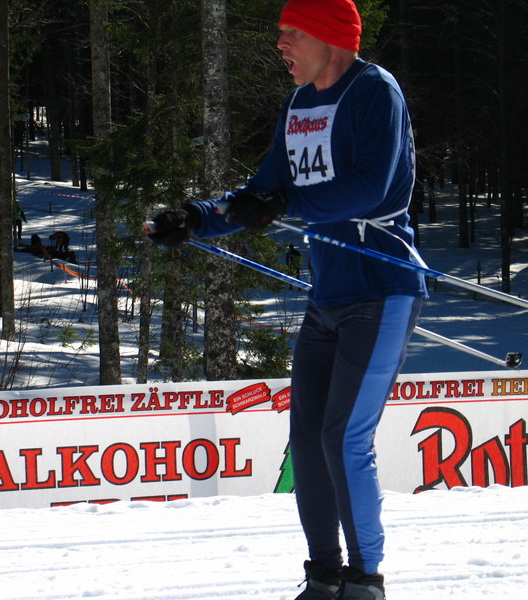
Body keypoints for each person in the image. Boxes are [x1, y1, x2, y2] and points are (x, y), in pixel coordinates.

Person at [147, 1, 425, 597]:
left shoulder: (374, 90)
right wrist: (195, 218)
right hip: (328, 295)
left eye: (292, 33)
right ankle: (324, 578)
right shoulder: (300, 105)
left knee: (343, 437)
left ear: (328, 36)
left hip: (382, 290)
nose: (281, 45)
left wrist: (282, 204)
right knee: (308, 440)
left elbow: (368, 187)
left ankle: (366, 581)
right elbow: (263, 190)